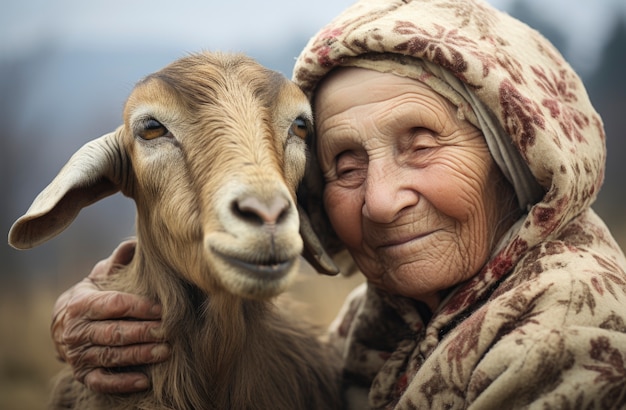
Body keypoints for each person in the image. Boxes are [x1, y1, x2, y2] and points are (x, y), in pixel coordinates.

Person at [49, 0, 626, 408]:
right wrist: (119, 308)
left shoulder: (573, 333)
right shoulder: (376, 321)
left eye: (422, 146)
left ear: (515, 154)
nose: (378, 201)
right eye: (344, 165)